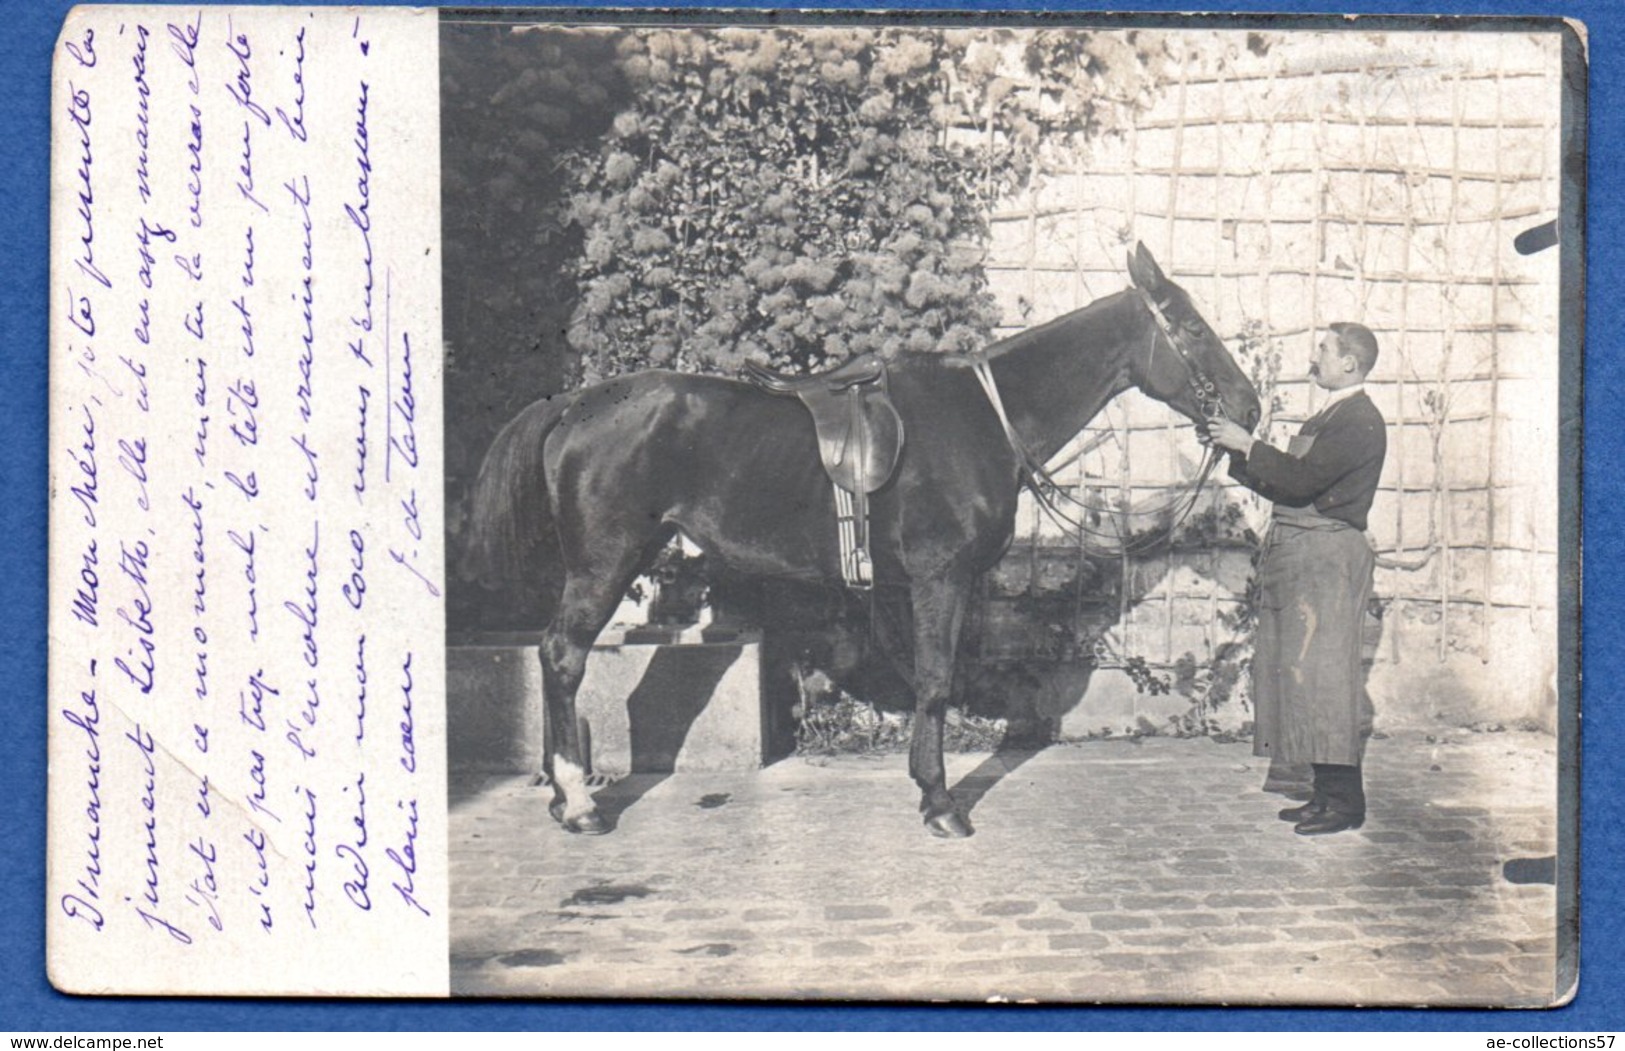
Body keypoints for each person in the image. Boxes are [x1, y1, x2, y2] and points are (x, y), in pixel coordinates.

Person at [1202, 323, 1387, 836]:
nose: (1315, 358)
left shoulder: (1360, 419)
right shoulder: (1330, 414)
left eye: (1324, 350)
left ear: (1350, 363)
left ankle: (1346, 804)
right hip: (1301, 550)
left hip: (1326, 555)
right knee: (1303, 677)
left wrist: (1249, 442)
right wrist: (1234, 450)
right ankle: (1324, 795)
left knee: (1323, 677)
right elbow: (1283, 481)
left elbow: (1301, 480)